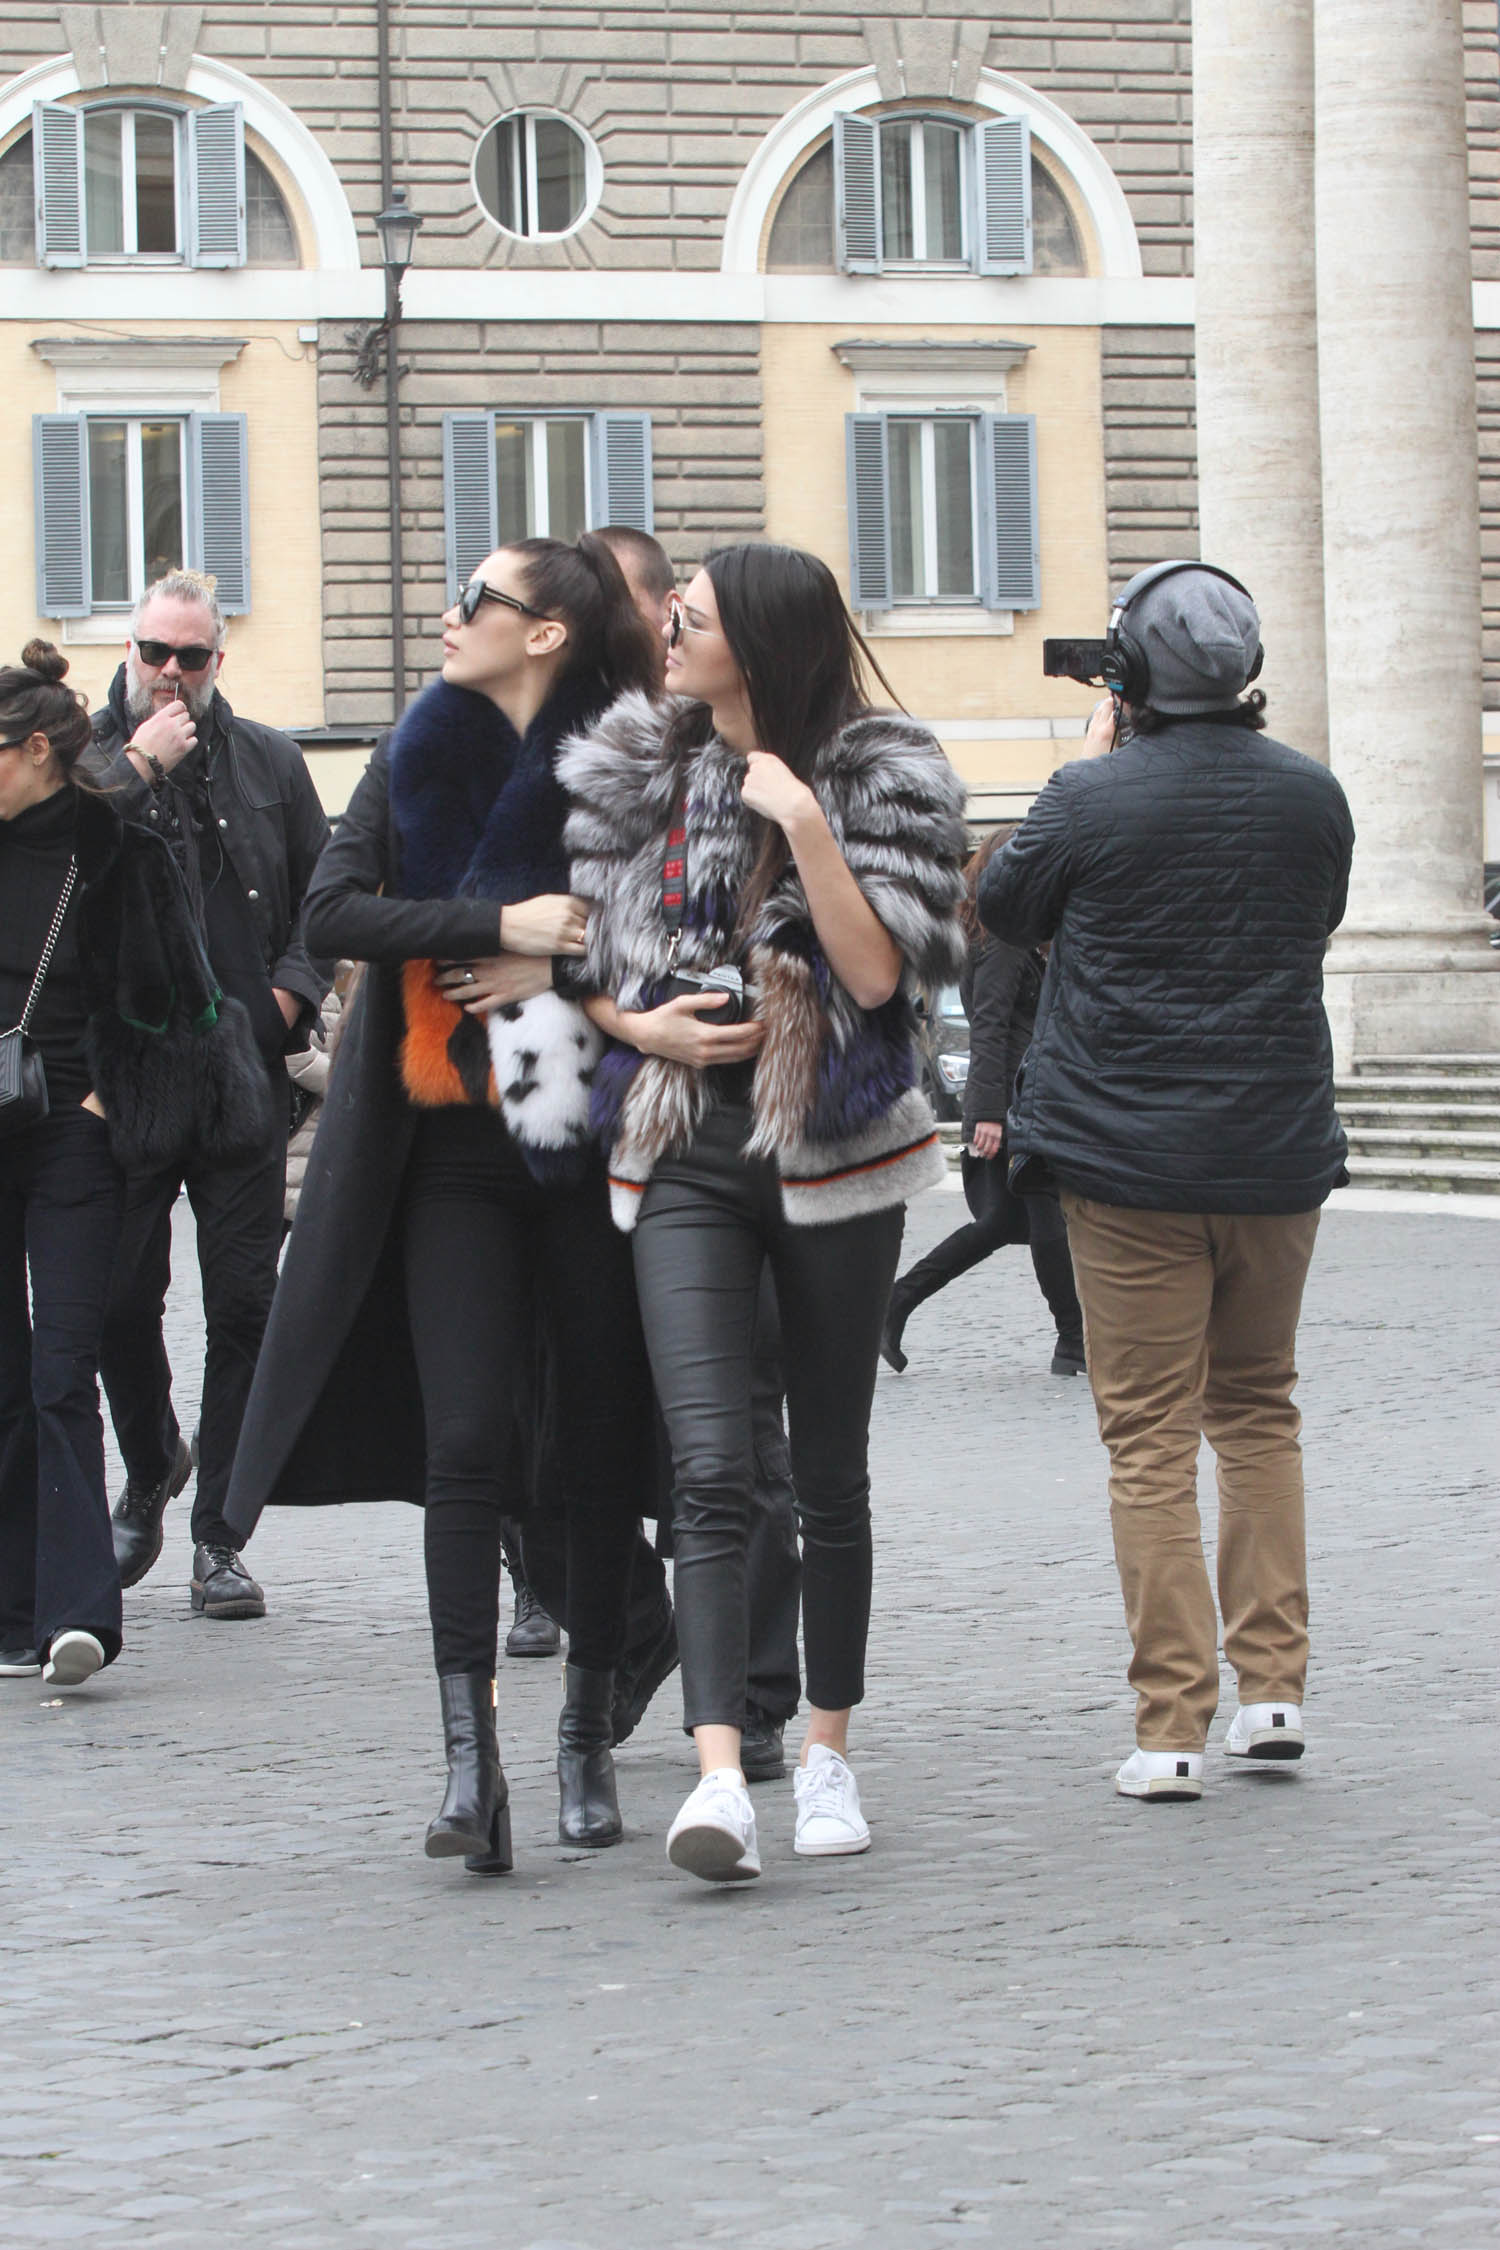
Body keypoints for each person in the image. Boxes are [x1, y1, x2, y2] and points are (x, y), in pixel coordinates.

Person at [225, 534, 661, 1873]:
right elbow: (338, 909)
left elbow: (664, 924)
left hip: (589, 1137)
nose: (448, 615)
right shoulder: (418, 746)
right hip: (445, 1146)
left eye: (476, 600)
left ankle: (587, 1728)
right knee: (464, 1438)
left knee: (593, 1438)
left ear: (546, 634)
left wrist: (564, 940)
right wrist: (501, 926)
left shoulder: (638, 759)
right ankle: (470, 1756)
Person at [562, 542, 966, 1881]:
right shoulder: (637, 765)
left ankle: (829, 1753)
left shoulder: (882, 774)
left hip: (837, 1149)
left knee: (832, 1468)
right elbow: (587, 970)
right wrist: (646, 1025)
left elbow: (874, 974)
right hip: (680, 1145)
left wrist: (801, 822)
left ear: (767, 642)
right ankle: (722, 1774)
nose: (669, 625)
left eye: (700, 614)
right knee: (712, 1465)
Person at [979, 562, 1354, 1803]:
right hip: (1274, 1154)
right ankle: (1276, 1689)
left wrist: (1093, 757)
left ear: (1128, 678)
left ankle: (1172, 1725)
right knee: (1258, 1412)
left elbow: (1001, 903)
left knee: (1147, 1441)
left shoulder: (1091, 797)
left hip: (1128, 1163)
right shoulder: (1317, 798)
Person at [0, 642, 270, 1688]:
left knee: (63, 1365)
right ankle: (16, 1608)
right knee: (5, 1379)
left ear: (33, 753)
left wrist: (108, 1098)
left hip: (72, 1131)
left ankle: (80, 1614)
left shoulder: (112, 847)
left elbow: (175, 990)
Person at [87, 570, 331, 1623]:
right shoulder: (87, 761)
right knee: (109, 1305)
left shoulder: (272, 759)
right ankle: (152, 1464)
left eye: (191, 657)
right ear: (131, 651)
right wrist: (142, 767)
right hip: (123, 1088)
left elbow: (329, 896)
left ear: (219, 660)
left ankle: (220, 1535)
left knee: (244, 1307)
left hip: (241, 1076)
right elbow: (61, 878)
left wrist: (283, 1001)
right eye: (155, 653)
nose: (171, 675)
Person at [880, 825, 1085, 1378]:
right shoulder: (1005, 940)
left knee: (997, 1221)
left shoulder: (993, 937)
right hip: (1021, 1100)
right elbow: (989, 1027)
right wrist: (989, 1114)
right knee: (1048, 1219)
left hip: (1021, 1096)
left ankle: (895, 1303)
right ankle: (1074, 1341)